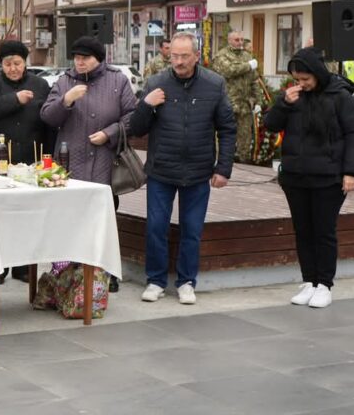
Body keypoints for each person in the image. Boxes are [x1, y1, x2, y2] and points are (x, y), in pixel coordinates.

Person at [128, 32, 236, 305]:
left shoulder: (214, 84)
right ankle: (155, 281)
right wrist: (146, 105)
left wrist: (223, 169)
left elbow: (227, 129)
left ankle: (187, 282)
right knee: (156, 227)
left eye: (184, 56)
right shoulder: (156, 82)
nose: (178, 61)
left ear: (196, 56)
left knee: (191, 229)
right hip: (162, 169)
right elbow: (136, 129)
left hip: (198, 171)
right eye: (174, 56)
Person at [264, 48, 354, 309]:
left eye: (306, 79)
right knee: (303, 230)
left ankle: (325, 284)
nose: (301, 84)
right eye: (297, 79)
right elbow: (271, 124)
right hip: (295, 175)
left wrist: (351, 172)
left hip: (329, 177)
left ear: (317, 74)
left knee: (323, 231)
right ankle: (309, 280)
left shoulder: (341, 97)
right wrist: (283, 102)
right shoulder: (292, 96)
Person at [40, 36, 137, 293]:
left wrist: (111, 133)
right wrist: (66, 101)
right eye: (77, 58)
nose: (80, 62)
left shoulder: (117, 80)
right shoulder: (64, 81)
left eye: (86, 58)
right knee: (69, 217)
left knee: (103, 217)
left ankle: (105, 272)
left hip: (105, 162)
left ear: (99, 59)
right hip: (70, 162)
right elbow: (48, 117)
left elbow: (132, 116)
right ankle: (67, 270)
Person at [0, 40, 52, 283]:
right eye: (7, 64)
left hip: (31, 157)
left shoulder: (40, 85)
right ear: (1, 65)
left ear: (25, 62)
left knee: (28, 215)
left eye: (17, 63)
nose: (13, 68)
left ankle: (24, 267)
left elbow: (49, 119)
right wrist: (14, 100)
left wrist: (47, 158)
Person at [212, 31, 263, 164]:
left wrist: (258, 101)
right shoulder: (221, 56)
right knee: (225, 135)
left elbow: (254, 80)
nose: (240, 42)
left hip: (244, 104)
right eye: (236, 40)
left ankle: (244, 162)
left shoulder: (247, 56)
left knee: (245, 136)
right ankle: (222, 161)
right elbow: (229, 70)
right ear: (229, 41)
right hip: (227, 103)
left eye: (241, 39)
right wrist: (249, 65)